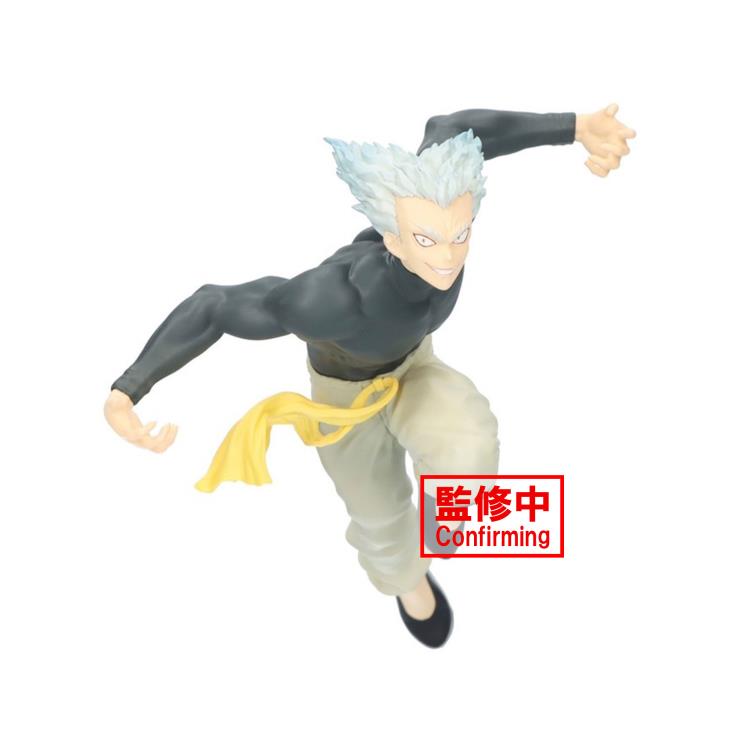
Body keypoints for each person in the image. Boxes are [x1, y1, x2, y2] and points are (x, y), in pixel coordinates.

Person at [104, 104, 635, 648]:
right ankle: (409, 582)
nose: (447, 257)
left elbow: (455, 130)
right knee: (378, 518)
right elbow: (214, 305)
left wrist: (575, 127)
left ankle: (439, 524)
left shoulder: (437, 199)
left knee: (471, 449)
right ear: (393, 238)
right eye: (426, 241)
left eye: (461, 234)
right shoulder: (330, 299)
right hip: (342, 403)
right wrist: (129, 389)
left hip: (414, 366)